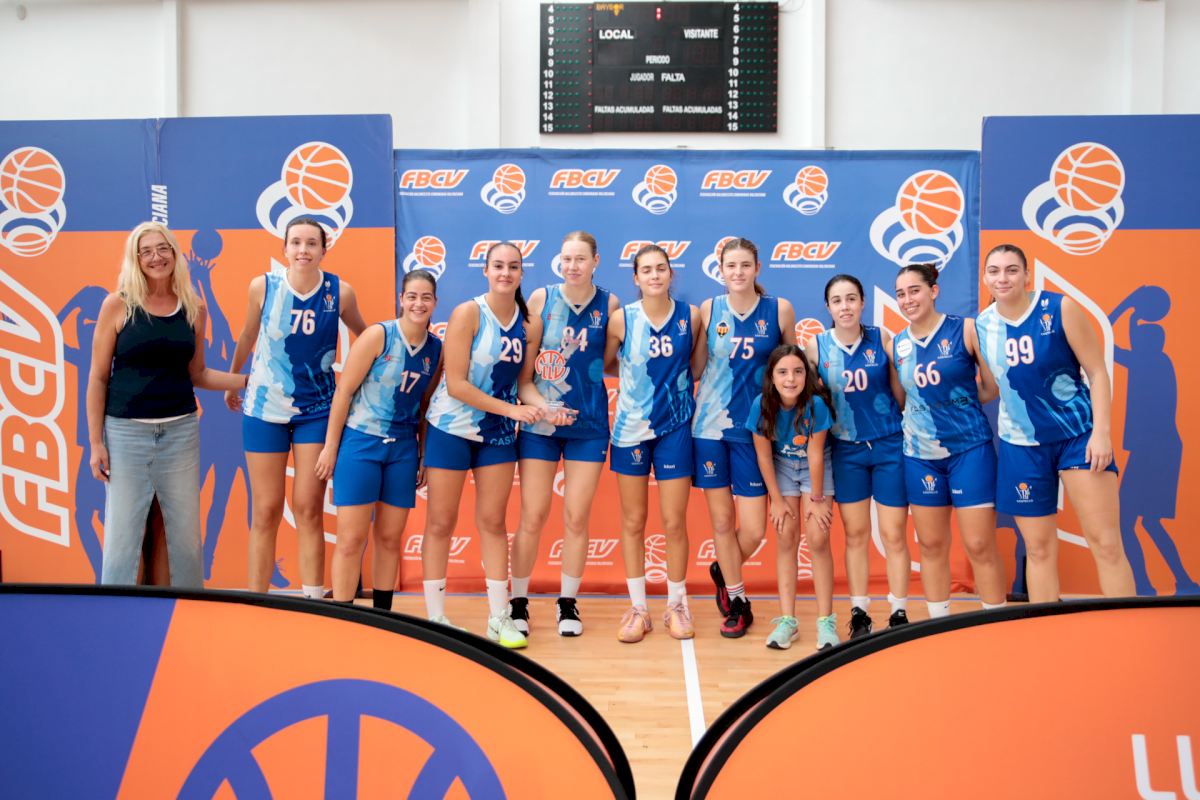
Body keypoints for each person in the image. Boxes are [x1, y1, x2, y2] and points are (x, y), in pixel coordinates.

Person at [87, 221, 247, 588]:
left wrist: (247, 381)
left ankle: (186, 609)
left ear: (175, 253)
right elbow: (97, 378)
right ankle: (116, 612)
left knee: (184, 538)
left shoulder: (194, 308)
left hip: (180, 433)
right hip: (126, 434)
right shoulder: (117, 305)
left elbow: (198, 374)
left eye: (162, 248)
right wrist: (96, 443)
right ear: (135, 259)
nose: (156, 257)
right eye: (146, 251)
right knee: (123, 538)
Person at [422, 242, 562, 648]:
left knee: (493, 522)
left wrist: (545, 409)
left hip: (497, 433)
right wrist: (513, 409)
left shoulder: (529, 324)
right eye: (498, 266)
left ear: (521, 273)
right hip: (451, 426)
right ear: (485, 270)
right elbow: (456, 384)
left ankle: (499, 618)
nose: (505, 273)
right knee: (440, 522)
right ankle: (435, 618)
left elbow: (524, 384)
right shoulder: (468, 313)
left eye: (513, 267)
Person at [976, 244, 1135, 601]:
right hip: (1021, 444)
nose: (1003, 278)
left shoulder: (1060, 308)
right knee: (1038, 550)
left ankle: (1128, 628)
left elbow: (1097, 372)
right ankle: (1047, 630)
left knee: (1106, 543)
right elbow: (990, 387)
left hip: (1077, 437)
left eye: (1012, 269)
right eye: (994, 271)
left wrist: (1101, 433)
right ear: (985, 278)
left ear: (1027, 275)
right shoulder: (982, 326)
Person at [226, 217, 367, 597]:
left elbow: (367, 336)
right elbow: (248, 334)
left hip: (316, 411)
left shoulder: (340, 292)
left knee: (307, 507)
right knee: (266, 509)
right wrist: (234, 377)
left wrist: (358, 385)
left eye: (311, 243)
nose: (303, 250)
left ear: (324, 248)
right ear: (284, 248)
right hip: (263, 410)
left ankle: (312, 599)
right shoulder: (263, 286)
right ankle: (257, 601)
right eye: (296, 242)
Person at [509, 231, 618, 637]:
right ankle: (518, 603)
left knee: (576, 517)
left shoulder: (610, 305)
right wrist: (545, 407)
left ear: (595, 261)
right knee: (533, 515)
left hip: (588, 426)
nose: (573, 266)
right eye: (567, 259)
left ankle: (567, 602)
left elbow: (609, 363)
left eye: (581, 259)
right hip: (540, 424)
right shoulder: (541, 299)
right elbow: (524, 377)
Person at [315, 269, 443, 611]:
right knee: (351, 539)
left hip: (403, 449)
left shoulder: (436, 350)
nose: (418, 303)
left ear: (435, 302)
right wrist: (331, 447)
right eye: (412, 296)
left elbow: (425, 405)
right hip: (361, 442)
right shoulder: (378, 335)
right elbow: (343, 393)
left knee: (389, 538)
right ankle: (343, 615)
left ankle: (384, 616)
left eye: (426, 297)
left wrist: (423, 454)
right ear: (401, 299)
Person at [692, 237, 795, 638]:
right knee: (722, 521)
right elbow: (697, 368)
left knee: (753, 530)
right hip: (710, 428)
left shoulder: (779, 309)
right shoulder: (709, 309)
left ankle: (723, 568)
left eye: (745, 265)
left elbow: (791, 370)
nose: (737, 272)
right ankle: (737, 601)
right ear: (720, 270)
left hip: (756, 431)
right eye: (730, 266)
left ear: (757, 268)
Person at [892, 263, 1007, 617]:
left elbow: (990, 387)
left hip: (969, 450)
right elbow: (902, 400)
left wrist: (958, 405)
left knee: (979, 544)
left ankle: (997, 625)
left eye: (915, 290)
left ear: (933, 291)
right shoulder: (898, 344)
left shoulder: (966, 329)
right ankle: (938, 624)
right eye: (901, 294)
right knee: (931, 544)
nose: (908, 299)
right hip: (920, 456)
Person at [605, 244, 703, 643]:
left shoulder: (690, 316)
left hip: (675, 426)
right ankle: (639, 608)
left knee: (674, 521)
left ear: (670, 273)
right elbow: (607, 363)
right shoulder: (621, 319)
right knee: (633, 521)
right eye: (646, 270)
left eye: (661, 268)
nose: (654, 276)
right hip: (630, 428)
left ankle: (676, 604)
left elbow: (696, 365)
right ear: (636, 277)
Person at [809, 274, 911, 635]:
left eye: (851, 299)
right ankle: (859, 612)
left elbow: (900, 396)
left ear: (863, 302)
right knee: (855, 534)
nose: (845, 306)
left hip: (888, 445)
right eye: (837, 301)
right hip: (846, 451)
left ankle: (899, 612)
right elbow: (813, 405)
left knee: (894, 533)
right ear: (828, 307)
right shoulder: (816, 347)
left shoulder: (882, 339)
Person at [748, 345, 837, 650]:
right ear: (771, 377)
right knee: (786, 536)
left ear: (806, 376)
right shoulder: (761, 405)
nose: (791, 379)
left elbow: (815, 454)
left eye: (798, 372)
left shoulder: (815, 405)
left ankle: (826, 622)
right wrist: (776, 499)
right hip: (782, 467)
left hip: (815, 469)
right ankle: (788, 621)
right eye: (783, 372)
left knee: (818, 538)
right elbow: (763, 456)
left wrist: (817, 498)